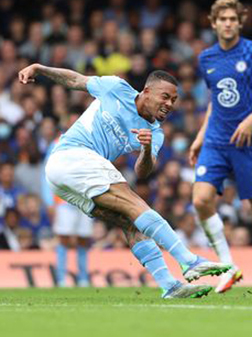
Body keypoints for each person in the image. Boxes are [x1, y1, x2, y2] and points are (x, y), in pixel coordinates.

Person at [19, 63, 231, 299]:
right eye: (165, 97)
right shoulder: (115, 87)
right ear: (146, 92)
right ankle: (189, 260)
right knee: (135, 203)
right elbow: (75, 80)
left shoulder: (155, 132)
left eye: (174, 99)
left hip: (64, 178)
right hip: (72, 154)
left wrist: (146, 148)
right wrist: (39, 68)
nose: (170, 104)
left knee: (129, 222)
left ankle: (169, 285)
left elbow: (143, 171)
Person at [189, 0, 252, 294]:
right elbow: (213, 103)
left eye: (233, 18)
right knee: (200, 200)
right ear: (213, 22)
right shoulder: (207, 58)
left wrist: (251, 120)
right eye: (223, 19)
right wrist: (200, 136)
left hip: (248, 142)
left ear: (240, 22)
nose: (228, 23)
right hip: (216, 140)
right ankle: (228, 266)